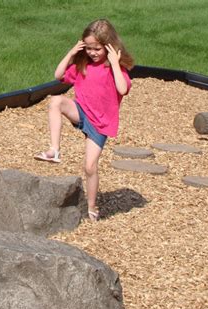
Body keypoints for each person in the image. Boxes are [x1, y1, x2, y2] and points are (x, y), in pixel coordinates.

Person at [34, 19, 134, 221]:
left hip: (100, 123)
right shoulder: (83, 65)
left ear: (109, 47)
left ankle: (91, 205)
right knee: (56, 102)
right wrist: (71, 53)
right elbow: (58, 75)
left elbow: (123, 89)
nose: (92, 53)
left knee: (90, 167)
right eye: (88, 48)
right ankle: (54, 150)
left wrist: (114, 63)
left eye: (97, 49)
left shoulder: (115, 70)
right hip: (81, 111)